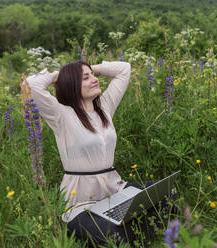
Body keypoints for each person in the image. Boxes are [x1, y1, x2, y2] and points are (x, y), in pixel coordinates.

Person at [26, 61, 177, 247]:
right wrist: (62, 74)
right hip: (79, 203)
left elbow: (124, 69)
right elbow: (32, 84)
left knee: (169, 192)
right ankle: (129, 233)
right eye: (86, 78)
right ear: (72, 84)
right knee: (115, 237)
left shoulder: (104, 107)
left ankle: (128, 231)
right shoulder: (61, 115)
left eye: (93, 75)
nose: (95, 79)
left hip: (115, 190)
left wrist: (91, 68)